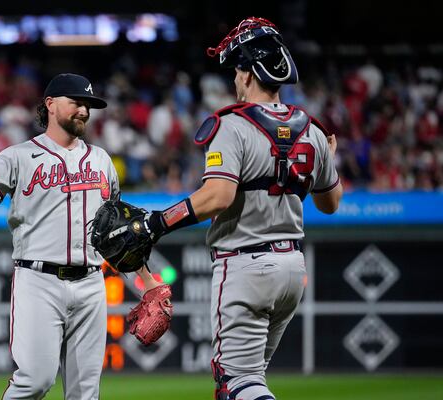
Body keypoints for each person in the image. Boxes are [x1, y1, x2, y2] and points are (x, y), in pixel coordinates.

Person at [0, 73, 162, 400]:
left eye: (88, 105)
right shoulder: (20, 156)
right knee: (35, 381)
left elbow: (118, 235)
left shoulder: (102, 161)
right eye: (77, 102)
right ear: (51, 105)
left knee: (86, 394)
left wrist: (147, 279)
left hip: (91, 283)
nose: (84, 110)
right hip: (39, 281)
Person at [129, 17, 343, 399]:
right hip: (292, 271)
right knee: (248, 380)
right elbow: (330, 203)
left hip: (245, 264)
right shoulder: (311, 129)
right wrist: (328, 159)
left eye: (236, 71)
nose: (234, 79)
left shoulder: (232, 124)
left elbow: (218, 197)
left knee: (237, 384)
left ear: (246, 74)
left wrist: (155, 224)